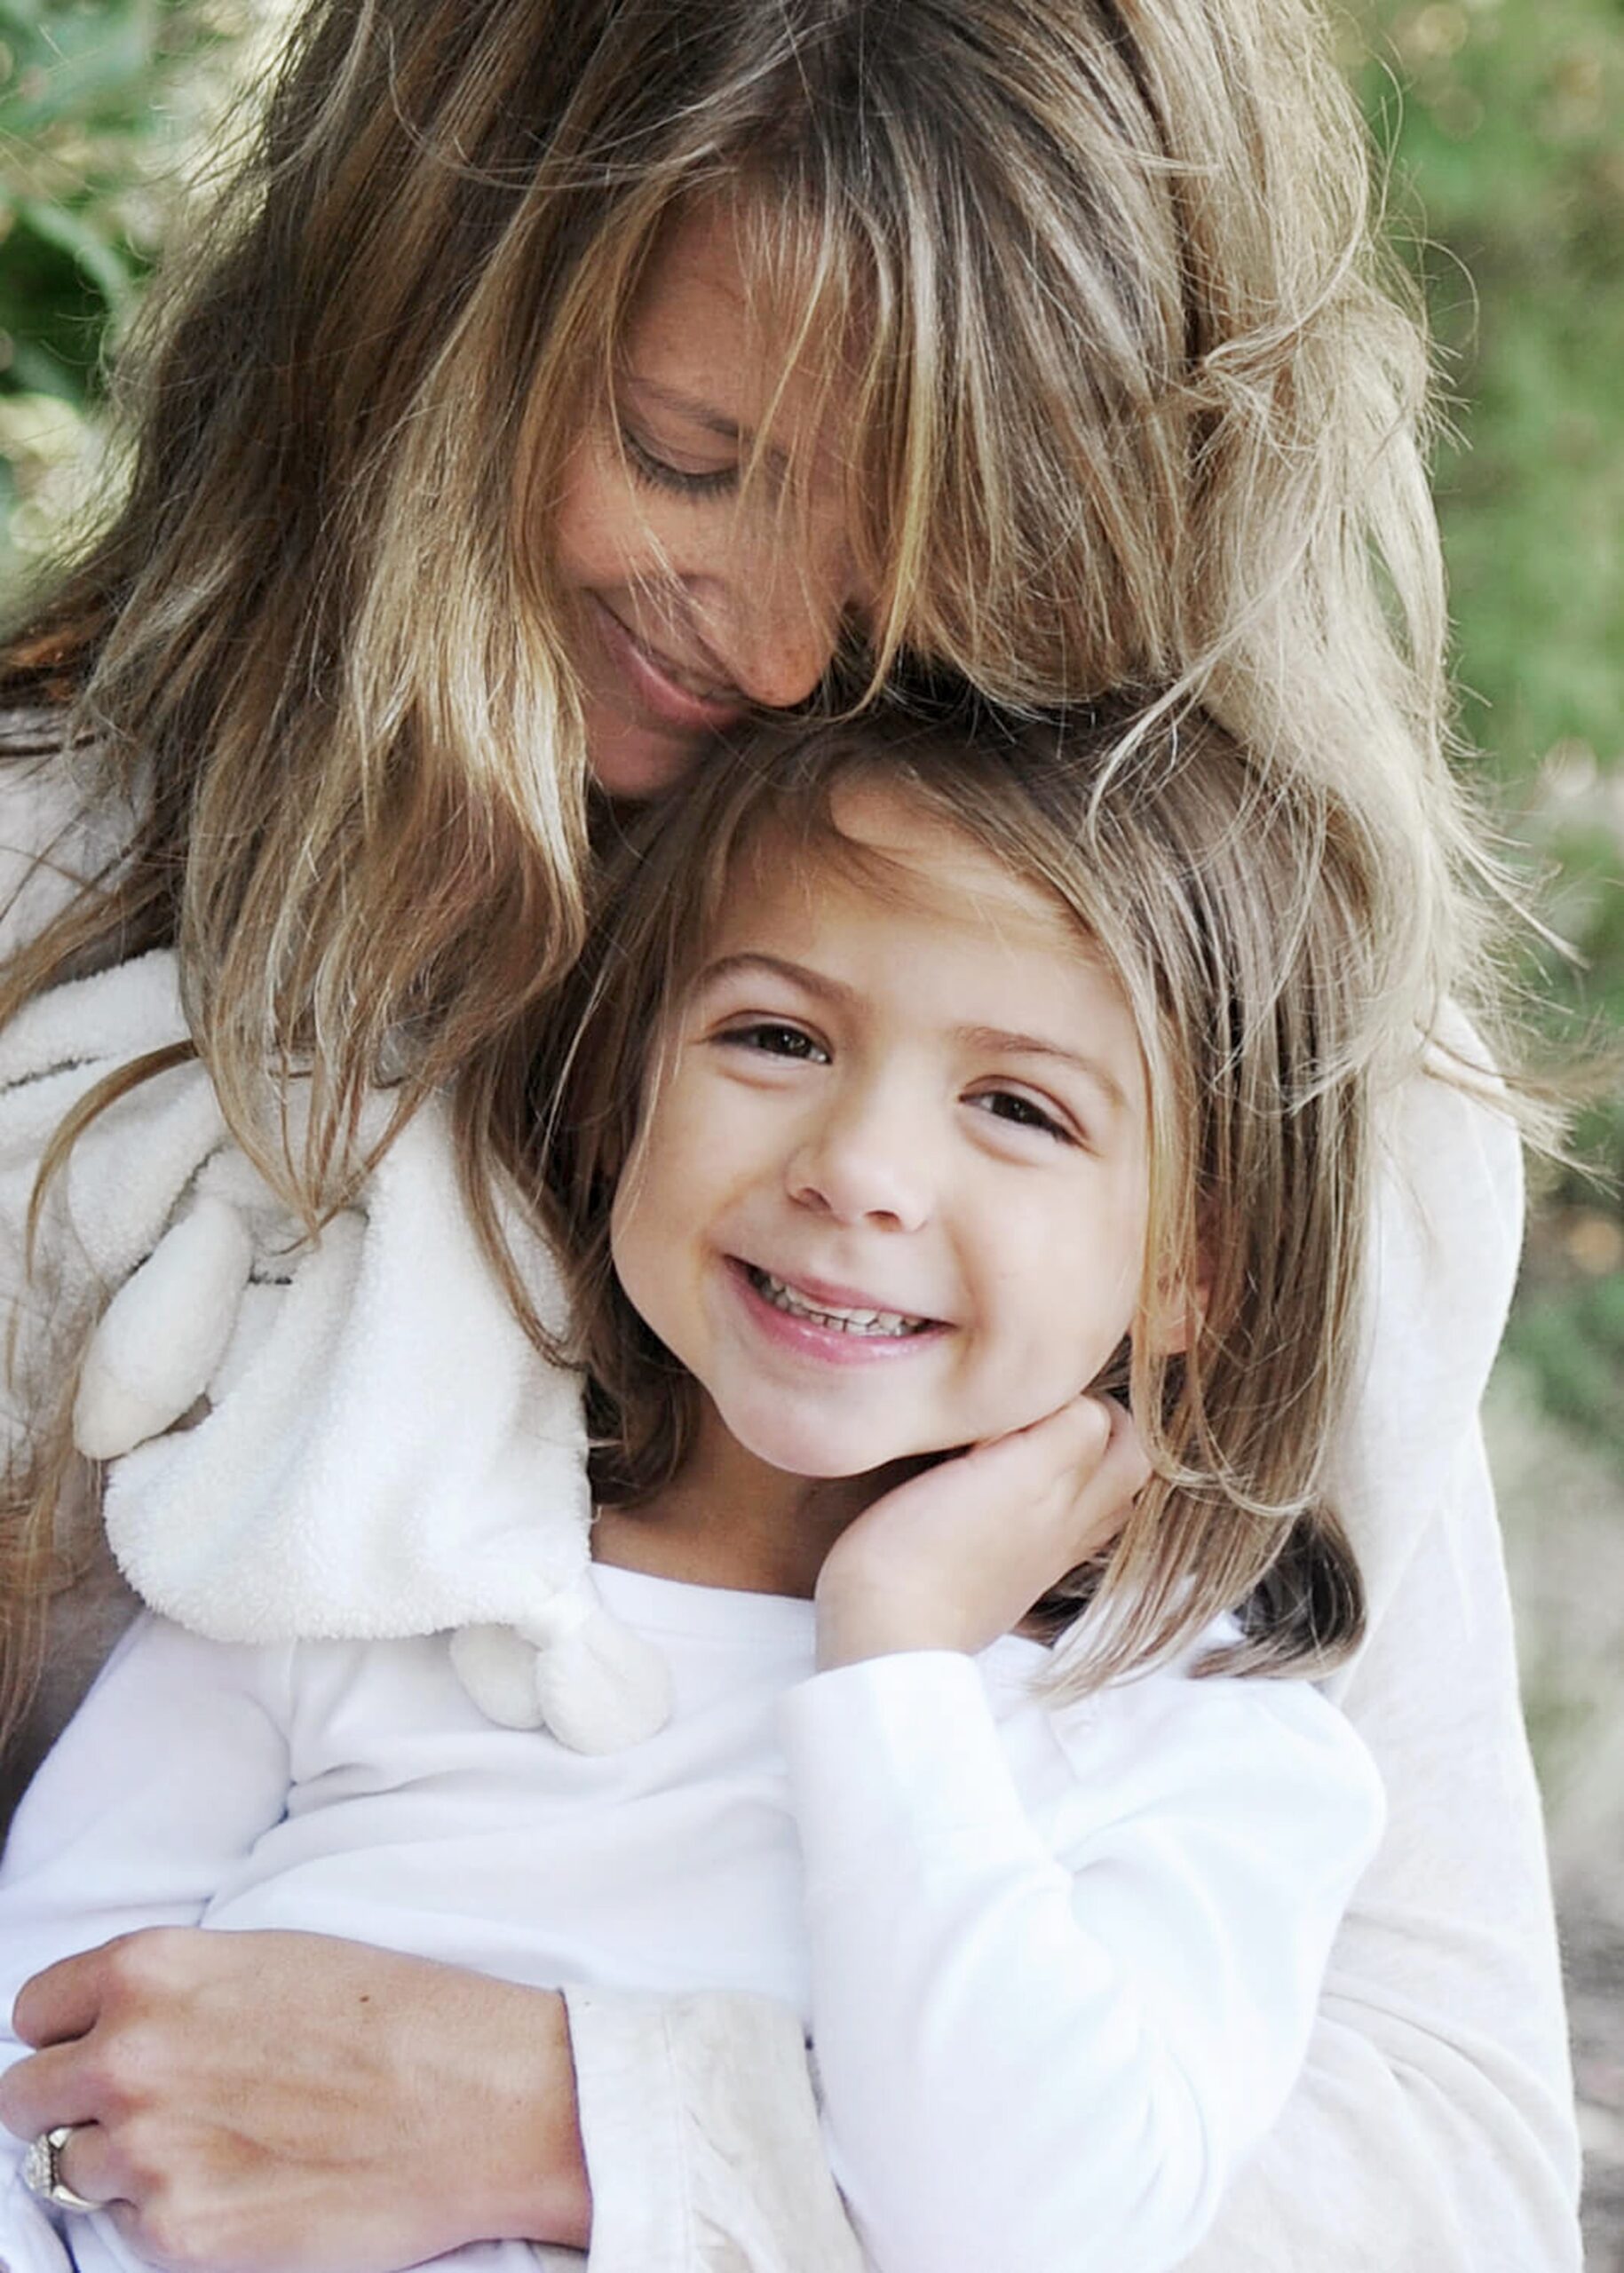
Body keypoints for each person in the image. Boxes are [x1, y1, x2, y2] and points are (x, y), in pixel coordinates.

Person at [0, 1, 1580, 2268]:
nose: (772, 635)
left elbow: (1441, 2161)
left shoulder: (1287, 1108)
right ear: (424, 329)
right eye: (684, 453)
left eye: (931, 524)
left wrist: (610, 2117)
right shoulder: (57, 933)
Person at [1, 701, 1393, 2272]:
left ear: (1192, 1268)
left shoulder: (1196, 1743)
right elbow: (40, 2027)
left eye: (1017, 1107)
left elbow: (1021, 2229)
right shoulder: (371, 1545)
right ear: (620, 1102)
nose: (856, 1167)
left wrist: (897, 1665)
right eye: (776, 1039)